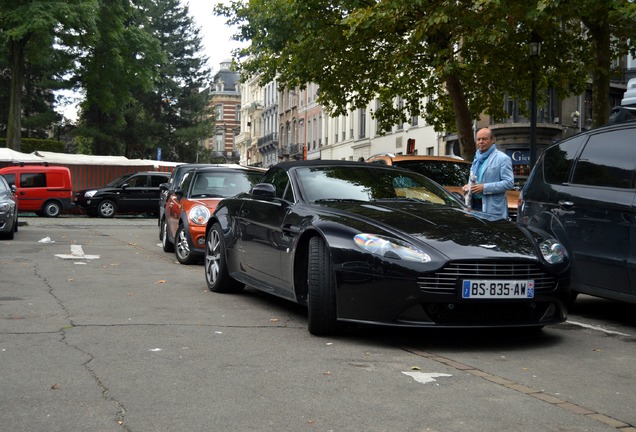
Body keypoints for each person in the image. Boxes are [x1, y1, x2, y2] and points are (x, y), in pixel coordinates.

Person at [463, 127, 513, 219]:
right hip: (473, 206)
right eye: (478, 139)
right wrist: (469, 187)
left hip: (492, 208)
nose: (481, 142)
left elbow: (509, 183)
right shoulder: (476, 158)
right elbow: (474, 180)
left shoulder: (502, 158)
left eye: (484, 139)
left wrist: (484, 187)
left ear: (492, 140)